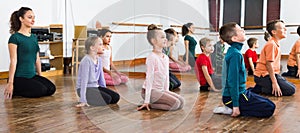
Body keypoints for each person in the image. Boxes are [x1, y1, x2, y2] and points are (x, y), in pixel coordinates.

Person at [219, 22, 275, 117]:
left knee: (267, 102)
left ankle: (234, 106)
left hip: (240, 92)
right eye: (240, 30)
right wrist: (236, 106)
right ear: (234, 38)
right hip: (231, 98)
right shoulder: (235, 54)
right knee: (270, 108)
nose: (243, 31)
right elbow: (233, 81)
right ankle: (231, 108)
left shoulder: (234, 51)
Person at [4, 7, 56, 99]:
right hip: (19, 77)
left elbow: (37, 59)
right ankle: (16, 88)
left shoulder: (33, 37)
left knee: (51, 88)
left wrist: (41, 77)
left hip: (31, 76)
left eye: (33, 17)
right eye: (29, 17)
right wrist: (10, 82)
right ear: (21, 19)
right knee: (41, 90)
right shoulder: (15, 38)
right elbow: (13, 61)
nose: (33, 20)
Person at [137, 24, 184, 111]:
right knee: (175, 104)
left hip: (160, 90)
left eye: (165, 37)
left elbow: (166, 76)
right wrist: (147, 101)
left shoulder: (165, 57)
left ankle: (157, 101)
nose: (165, 39)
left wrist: (167, 92)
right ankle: (150, 104)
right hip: (150, 91)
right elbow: (149, 79)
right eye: (162, 37)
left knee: (181, 102)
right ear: (154, 41)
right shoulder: (152, 57)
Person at [250, 20, 296, 96]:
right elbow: (269, 64)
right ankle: (259, 88)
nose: (286, 30)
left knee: (292, 86)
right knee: (291, 90)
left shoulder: (275, 43)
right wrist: (274, 83)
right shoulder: (271, 44)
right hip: (263, 76)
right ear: (274, 32)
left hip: (271, 74)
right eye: (282, 28)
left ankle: (265, 86)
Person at [76, 36, 120, 107]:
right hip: (85, 88)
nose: (103, 46)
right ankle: (86, 99)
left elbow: (101, 78)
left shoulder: (99, 59)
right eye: (100, 44)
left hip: (95, 87)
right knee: (107, 99)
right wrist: (82, 99)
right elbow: (84, 81)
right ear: (92, 48)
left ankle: (95, 97)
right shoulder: (86, 60)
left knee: (115, 97)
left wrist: (104, 90)